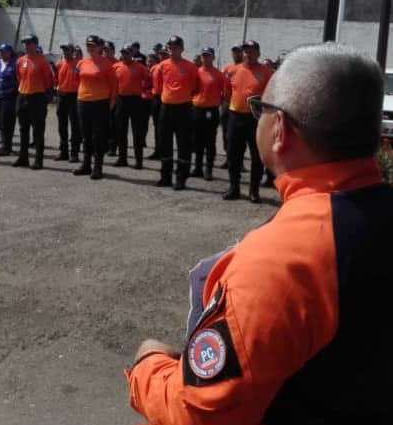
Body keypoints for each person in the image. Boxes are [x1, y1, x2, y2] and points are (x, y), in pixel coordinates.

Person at [126, 41, 392, 425]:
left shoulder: (283, 258)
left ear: (280, 129)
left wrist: (147, 365)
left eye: (260, 109)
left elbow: (199, 412)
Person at [223, 40, 273, 202]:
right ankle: (234, 187)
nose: (248, 54)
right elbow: (227, 92)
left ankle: (254, 190)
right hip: (235, 116)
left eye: (251, 51)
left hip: (255, 119)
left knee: (256, 156)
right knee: (233, 154)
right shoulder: (233, 70)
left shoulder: (266, 72)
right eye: (245, 51)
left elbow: (271, 96)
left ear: (258, 53)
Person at [154, 35, 200, 190]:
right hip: (166, 108)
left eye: (176, 48)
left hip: (183, 109)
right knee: (164, 142)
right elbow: (159, 84)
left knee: (184, 144)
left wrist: (184, 96)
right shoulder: (162, 65)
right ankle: (165, 176)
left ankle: (181, 179)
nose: (173, 50)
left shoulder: (190, 67)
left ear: (182, 49)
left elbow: (196, 87)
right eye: (170, 48)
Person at [73, 34, 117, 180]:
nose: (90, 48)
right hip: (83, 101)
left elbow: (113, 85)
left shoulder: (106, 64)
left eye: (93, 45)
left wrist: (111, 102)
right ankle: (86, 164)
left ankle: (98, 167)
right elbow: (77, 80)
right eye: (88, 45)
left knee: (98, 136)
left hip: (100, 103)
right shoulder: (82, 63)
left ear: (100, 47)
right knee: (85, 134)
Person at [13, 34, 54, 170]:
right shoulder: (20, 60)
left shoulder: (42, 62)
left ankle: (38, 159)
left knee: (38, 130)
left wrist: (44, 96)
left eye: (29, 43)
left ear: (35, 45)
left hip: (37, 97)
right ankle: (23, 157)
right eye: (25, 43)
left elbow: (48, 81)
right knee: (23, 129)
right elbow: (19, 77)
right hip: (23, 95)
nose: (26, 46)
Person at [191, 47, 225, 180]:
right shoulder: (196, 72)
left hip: (211, 111)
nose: (205, 58)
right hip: (197, 109)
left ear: (213, 58)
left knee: (209, 141)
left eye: (208, 56)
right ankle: (197, 167)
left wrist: (215, 102)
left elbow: (224, 92)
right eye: (203, 56)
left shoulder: (218, 74)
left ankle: (208, 169)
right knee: (197, 140)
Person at [113, 44, 149, 169]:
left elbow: (149, 81)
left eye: (127, 53)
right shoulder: (116, 67)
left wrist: (145, 94)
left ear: (132, 54)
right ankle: (122, 158)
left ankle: (138, 161)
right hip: (121, 100)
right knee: (120, 131)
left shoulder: (140, 67)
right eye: (123, 53)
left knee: (137, 132)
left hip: (135, 101)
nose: (125, 55)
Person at [55, 43, 81, 162]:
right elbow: (56, 79)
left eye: (68, 50)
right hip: (62, 96)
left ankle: (74, 153)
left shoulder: (79, 64)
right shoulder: (60, 63)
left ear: (73, 51)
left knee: (75, 125)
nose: (65, 52)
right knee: (62, 125)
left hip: (74, 96)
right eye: (64, 50)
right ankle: (63, 151)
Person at [0, 43, 18, 156]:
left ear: (10, 53)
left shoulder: (15, 64)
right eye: (1, 51)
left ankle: (6, 146)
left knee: (6, 122)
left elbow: (18, 80)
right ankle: (4, 143)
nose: (2, 54)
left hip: (9, 96)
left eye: (5, 51)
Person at [218, 44, 244, 168]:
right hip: (227, 104)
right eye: (234, 52)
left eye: (238, 52)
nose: (236, 54)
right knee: (226, 133)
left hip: (239, 106)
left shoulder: (245, 68)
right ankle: (228, 159)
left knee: (239, 136)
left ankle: (239, 162)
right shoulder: (227, 68)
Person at [146, 45, 169, 160]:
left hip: (166, 99)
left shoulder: (170, 67)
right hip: (156, 98)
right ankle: (157, 150)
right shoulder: (156, 68)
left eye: (165, 54)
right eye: (161, 54)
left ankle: (164, 151)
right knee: (157, 126)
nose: (162, 56)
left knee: (165, 127)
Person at [103, 40, 119, 157]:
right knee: (101, 123)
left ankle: (112, 147)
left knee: (113, 123)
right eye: (104, 50)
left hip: (114, 96)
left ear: (113, 51)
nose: (106, 52)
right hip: (101, 96)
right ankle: (102, 145)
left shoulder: (117, 64)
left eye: (108, 50)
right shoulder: (100, 63)